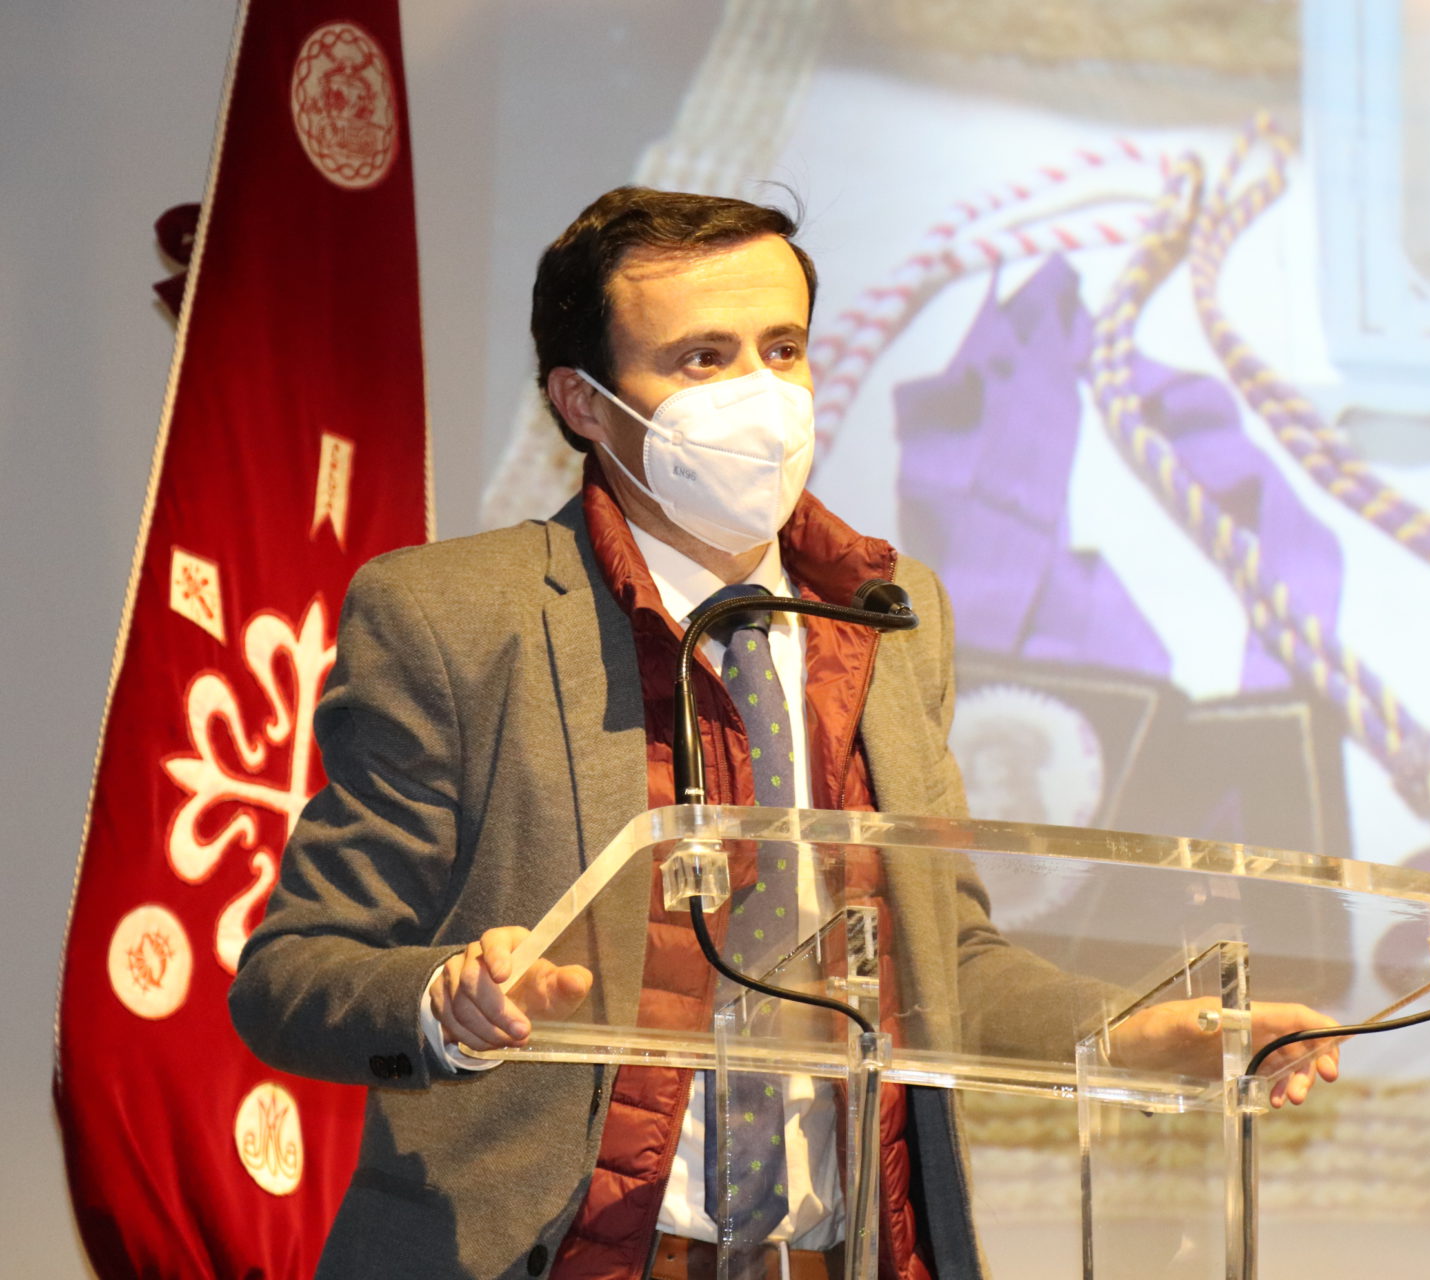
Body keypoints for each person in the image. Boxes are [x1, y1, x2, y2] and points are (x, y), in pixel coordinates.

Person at [230, 187, 1339, 1280]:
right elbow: (292, 973)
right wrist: (447, 1000)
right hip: (567, 1253)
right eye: (702, 360)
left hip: (837, 1255)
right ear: (584, 402)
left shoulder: (892, 614)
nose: (760, 396)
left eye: (783, 349)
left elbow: (941, 965)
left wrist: (1132, 1035)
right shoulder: (454, 616)